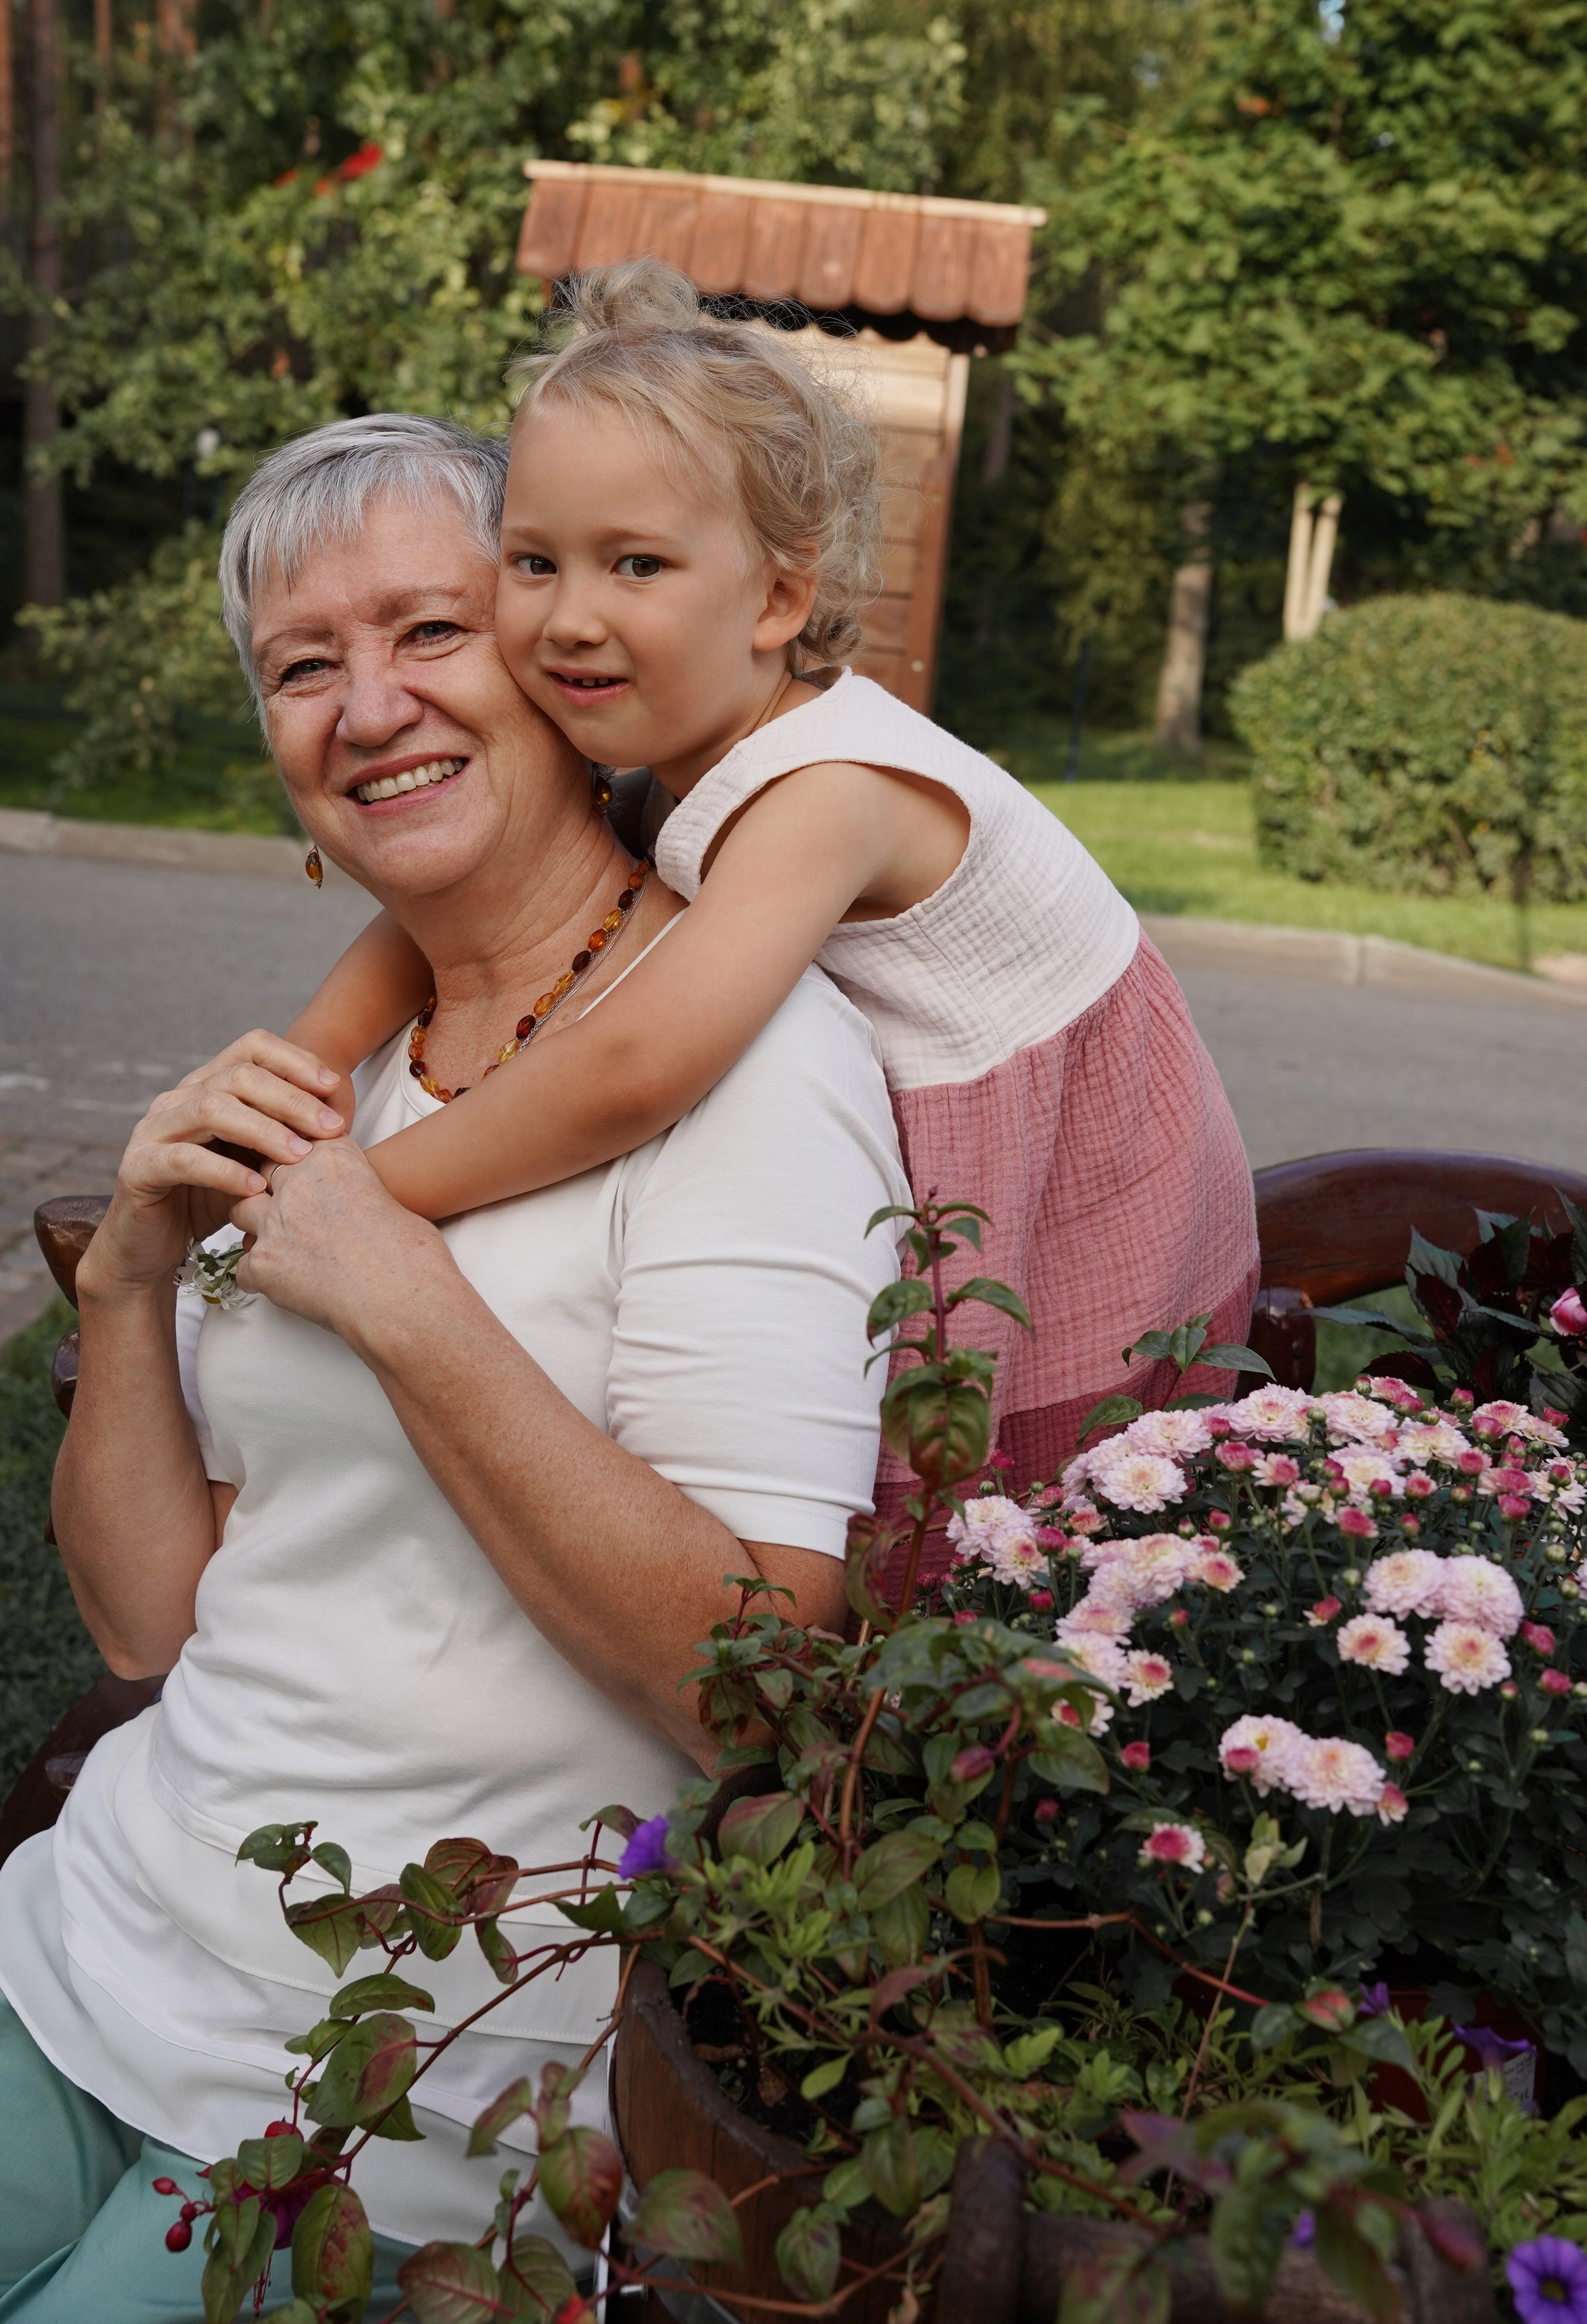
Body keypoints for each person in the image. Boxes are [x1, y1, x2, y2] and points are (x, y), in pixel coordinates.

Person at [0, 414, 910, 2318]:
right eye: (302, 665)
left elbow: (755, 1682)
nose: (369, 707)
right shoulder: (340, 1072)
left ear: (562, 658)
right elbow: (153, 1617)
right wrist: (134, 1279)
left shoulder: (749, 1068)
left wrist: (409, 1302)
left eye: (430, 629)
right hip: (96, 1931)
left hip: (398, 2086)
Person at [283, 260, 1259, 1499]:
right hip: (977, 1150)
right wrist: (302, 1073)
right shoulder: (675, 741)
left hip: (1095, 1205)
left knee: (989, 1545)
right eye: (533, 563)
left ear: (778, 598)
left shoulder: (828, 790)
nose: (570, 616)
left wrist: (361, 1194)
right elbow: (435, 933)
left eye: (636, 565)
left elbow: (637, 1065)